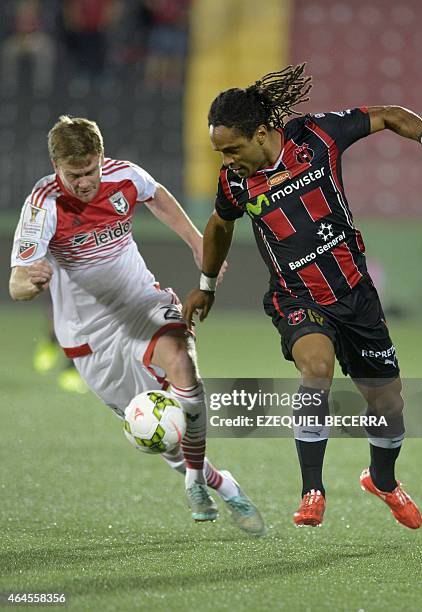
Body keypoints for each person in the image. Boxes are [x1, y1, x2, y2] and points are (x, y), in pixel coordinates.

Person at [183, 64, 422, 529]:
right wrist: (206, 285)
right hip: (296, 297)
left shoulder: (317, 137)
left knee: (388, 403)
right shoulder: (236, 183)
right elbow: (220, 224)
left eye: (232, 149)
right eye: (219, 153)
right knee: (317, 369)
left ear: (262, 133)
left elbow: (387, 115)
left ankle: (382, 481)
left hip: (355, 293)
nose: (226, 161)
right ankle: (312, 490)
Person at [9, 115, 265, 537]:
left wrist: (198, 243)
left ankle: (196, 478)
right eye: (74, 175)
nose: (85, 182)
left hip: (141, 304)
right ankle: (215, 480)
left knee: (183, 368)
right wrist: (28, 283)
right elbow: (17, 282)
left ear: (101, 159)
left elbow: (158, 195)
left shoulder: (122, 176)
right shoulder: (44, 205)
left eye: (90, 171)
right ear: (56, 168)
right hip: (89, 337)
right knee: (156, 431)